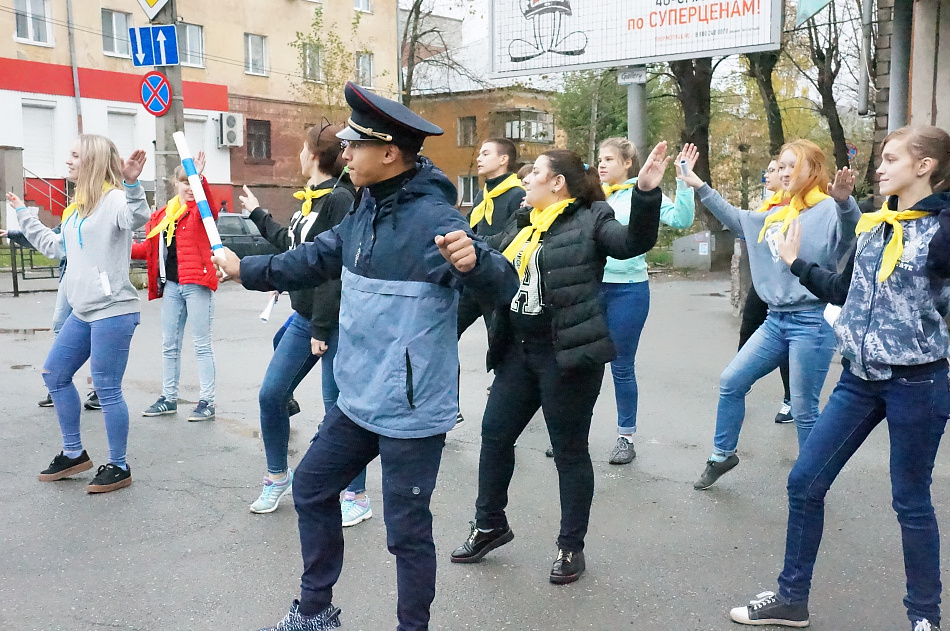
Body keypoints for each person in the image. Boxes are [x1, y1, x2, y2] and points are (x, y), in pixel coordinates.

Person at [214, 82, 519, 631]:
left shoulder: (436, 221)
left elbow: (504, 286)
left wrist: (478, 263)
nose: (345, 154)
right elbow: (310, 259)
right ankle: (315, 610)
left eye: (356, 145)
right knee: (311, 487)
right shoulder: (363, 212)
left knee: (406, 533)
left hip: (410, 411)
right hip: (356, 399)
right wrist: (247, 270)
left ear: (389, 153)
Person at [729, 126, 950, 631]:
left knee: (910, 499)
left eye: (892, 158)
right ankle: (791, 600)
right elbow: (840, 290)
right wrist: (794, 262)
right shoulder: (875, 224)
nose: (881, 166)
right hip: (858, 379)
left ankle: (924, 618)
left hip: (917, 383)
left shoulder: (942, 229)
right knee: (804, 482)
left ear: (925, 166)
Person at [449, 144, 668, 584]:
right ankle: (490, 524)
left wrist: (645, 193)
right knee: (494, 436)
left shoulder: (593, 220)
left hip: (567, 354)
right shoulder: (524, 221)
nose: (526, 181)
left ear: (557, 183)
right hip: (519, 349)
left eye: (536, 175)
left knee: (569, 452)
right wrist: (451, 240)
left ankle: (571, 546)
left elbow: (634, 243)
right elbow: (488, 251)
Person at [677, 139, 861, 490]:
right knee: (732, 381)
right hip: (775, 320)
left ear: (815, 169)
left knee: (805, 408)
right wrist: (698, 184)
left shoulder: (829, 210)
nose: (786, 171)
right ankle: (722, 454)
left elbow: (850, 228)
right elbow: (737, 219)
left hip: (811, 322)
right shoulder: (778, 212)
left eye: (795, 164)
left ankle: (812, 477)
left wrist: (844, 200)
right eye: (783, 164)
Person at [6, 134, 148, 493]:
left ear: (93, 161)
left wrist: (132, 183)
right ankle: (74, 453)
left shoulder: (114, 199)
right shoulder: (77, 207)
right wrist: (24, 216)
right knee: (54, 374)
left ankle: (119, 465)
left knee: (106, 388)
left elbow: (137, 217)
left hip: (113, 310)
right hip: (83, 312)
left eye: (74, 155)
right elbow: (55, 249)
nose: (67, 161)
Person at [240, 122, 357, 517]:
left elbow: (332, 269)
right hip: (307, 317)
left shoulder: (340, 199)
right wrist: (258, 215)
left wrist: (323, 327)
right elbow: (294, 250)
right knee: (271, 395)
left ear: (314, 155)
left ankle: (354, 496)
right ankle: (277, 477)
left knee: (339, 409)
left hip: (336, 323)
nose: (299, 156)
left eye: (303, 149)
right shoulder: (310, 199)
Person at [593, 136, 696, 464]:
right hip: (592, 288)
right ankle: (573, 431)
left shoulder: (643, 194)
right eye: (600, 159)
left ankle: (626, 437)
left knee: (620, 365)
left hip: (628, 291)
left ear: (627, 164)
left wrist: (685, 183)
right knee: (584, 362)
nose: (602, 164)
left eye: (609, 159)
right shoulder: (593, 197)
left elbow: (681, 220)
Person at [134, 152, 218, 422]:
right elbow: (148, 248)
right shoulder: (163, 215)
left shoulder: (199, 213)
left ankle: (207, 401)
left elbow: (210, 209)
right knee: (169, 345)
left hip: (197, 285)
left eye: (192, 183)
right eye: (185, 182)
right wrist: (119, 248)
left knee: (201, 345)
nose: (189, 188)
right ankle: (168, 398)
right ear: (175, 184)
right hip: (171, 286)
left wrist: (200, 179)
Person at [739, 158, 794, 424]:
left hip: (788, 286)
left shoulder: (793, 204)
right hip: (762, 283)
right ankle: (741, 380)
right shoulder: (766, 205)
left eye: (776, 170)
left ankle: (791, 398)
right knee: (748, 325)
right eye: (771, 170)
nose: (770, 175)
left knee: (787, 343)